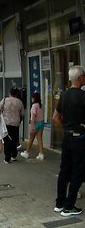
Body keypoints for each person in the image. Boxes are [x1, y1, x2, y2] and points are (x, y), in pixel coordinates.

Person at [52, 65, 85, 216]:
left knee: (64, 169)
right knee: (78, 171)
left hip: (66, 137)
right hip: (80, 139)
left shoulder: (63, 95)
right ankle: (69, 206)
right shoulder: (83, 96)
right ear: (80, 78)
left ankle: (59, 203)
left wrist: (66, 128)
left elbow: (55, 118)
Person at [0, 87, 24, 163]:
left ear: (10, 93)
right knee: (14, 139)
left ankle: (7, 158)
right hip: (15, 124)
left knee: (7, 140)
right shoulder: (19, 102)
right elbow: (22, 113)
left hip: (6, 123)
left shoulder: (5, 100)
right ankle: (14, 155)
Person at [21, 92, 45, 160]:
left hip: (35, 123)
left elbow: (33, 116)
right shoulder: (41, 105)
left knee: (31, 139)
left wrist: (32, 126)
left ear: (34, 98)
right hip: (41, 123)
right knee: (40, 139)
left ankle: (27, 152)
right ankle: (41, 153)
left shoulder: (34, 105)